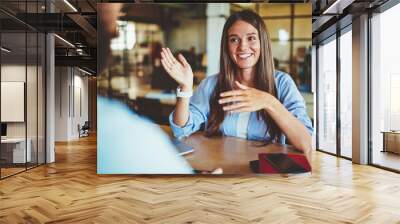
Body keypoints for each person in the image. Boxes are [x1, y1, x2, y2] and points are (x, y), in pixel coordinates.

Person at [161, 10, 313, 157]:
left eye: (251, 38)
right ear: (226, 46)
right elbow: (180, 130)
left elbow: (305, 143)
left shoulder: (282, 83)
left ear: (262, 42)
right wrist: (186, 88)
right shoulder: (211, 85)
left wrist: (269, 102)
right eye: (234, 39)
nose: (243, 46)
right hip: (221, 171)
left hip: (265, 176)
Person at [97, 4, 196, 174]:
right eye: (113, 20)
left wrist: (185, 86)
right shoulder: (133, 136)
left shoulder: (119, 126)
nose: (116, 32)